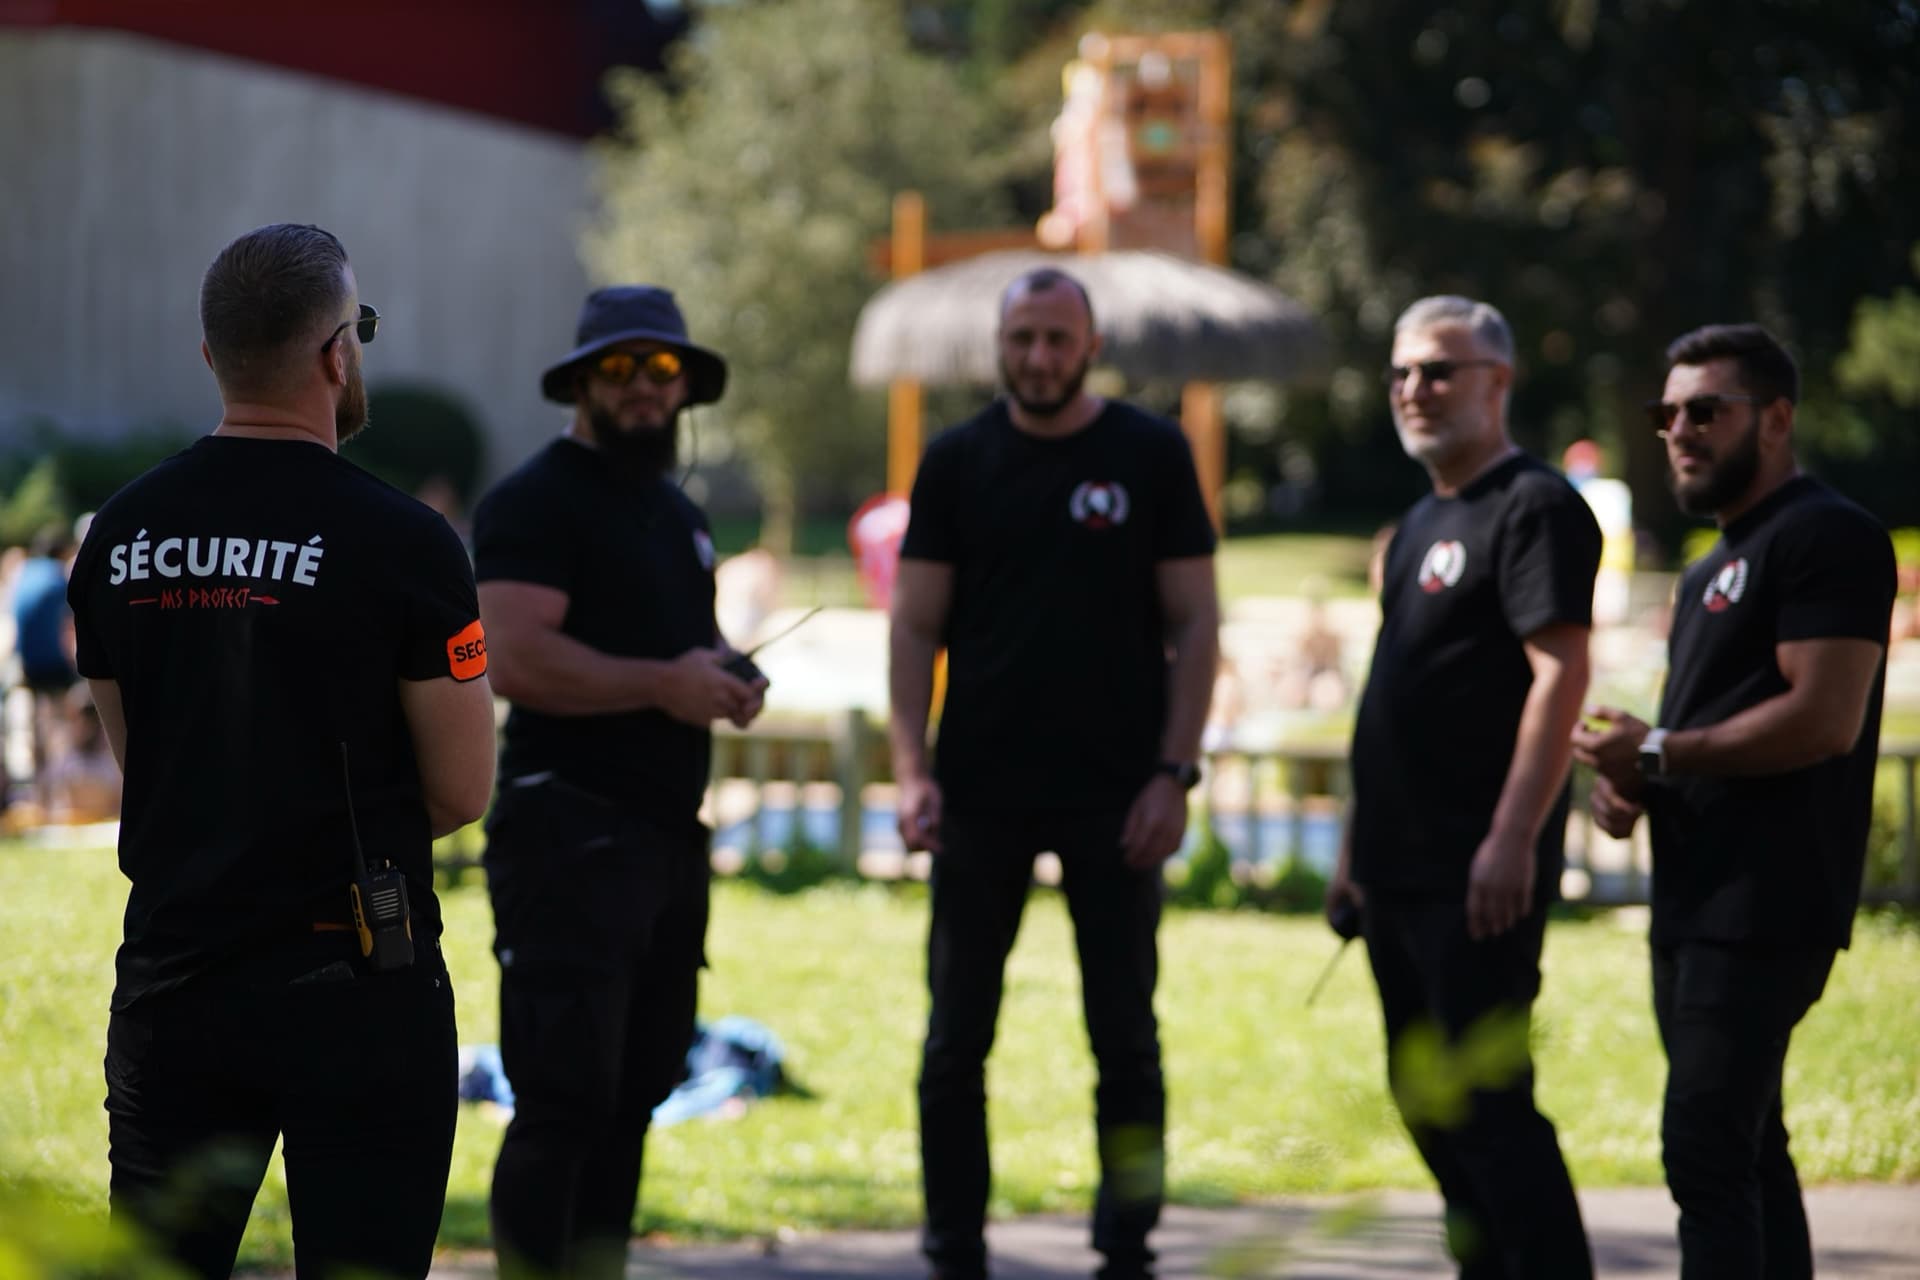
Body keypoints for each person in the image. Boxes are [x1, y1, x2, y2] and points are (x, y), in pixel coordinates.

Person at [64, 223, 496, 1277]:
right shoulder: (406, 542)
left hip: (177, 977)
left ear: (212, 355)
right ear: (337, 352)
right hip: (355, 977)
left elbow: (148, 759)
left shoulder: (119, 533)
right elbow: (461, 784)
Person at [889, 266, 1220, 1280]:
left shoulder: (1149, 452)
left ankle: (1128, 1244)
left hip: (1117, 792)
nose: (1038, 356)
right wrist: (911, 769)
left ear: (1090, 344)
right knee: (956, 1039)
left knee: (1124, 1033)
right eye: (1022, 337)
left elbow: (1197, 619)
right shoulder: (956, 460)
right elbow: (914, 623)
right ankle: (954, 1245)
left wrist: (1174, 770)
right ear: (1000, 345)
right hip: (980, 788)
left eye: (1056, 338)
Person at [1573, 324, 1895, 1279]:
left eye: (1706, 410)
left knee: (1705, 1151)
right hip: (1693, 897)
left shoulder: (1826, 534)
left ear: (1778, 418)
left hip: (1769, 901)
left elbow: (1825, 718)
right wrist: (1634, 774)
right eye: (1667, 413)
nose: (1679, 430)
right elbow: (1701, 736)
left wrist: (1661, 750)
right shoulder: (1716, 564)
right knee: (1750, 1148)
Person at [472, 285, 767, 1279]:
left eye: (663, 369)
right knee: (562, 1099)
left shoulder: (676, 511)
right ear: (582, 380)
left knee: (637, 1091)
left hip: (664, 841)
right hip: (568, 835)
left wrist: (723, 668)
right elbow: (511, 656)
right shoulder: (534, 500)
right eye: (620, 368)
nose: (644, 388)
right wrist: (669, 684)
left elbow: (674, 642)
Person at [1327, 295, 1599, 1277]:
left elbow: (1561, 672)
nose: (1415, 390)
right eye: (1402, 372)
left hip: (1475, 869)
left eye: (1439, 371)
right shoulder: (1413, 526)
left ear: (1499, 380)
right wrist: (1353, 851)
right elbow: (1388, 697)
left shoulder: (1534, 505)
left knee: (1490, 1105)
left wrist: (1513, 836)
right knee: (1423, 1096)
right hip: (1395, 869)